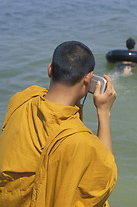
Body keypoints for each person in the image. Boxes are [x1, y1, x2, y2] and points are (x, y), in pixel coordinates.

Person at [0, 41, 117, 207]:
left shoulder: (20, 100)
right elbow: (103, 180)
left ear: (50, 69)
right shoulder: (81, 141)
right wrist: (103, 112)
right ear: (88, 79)